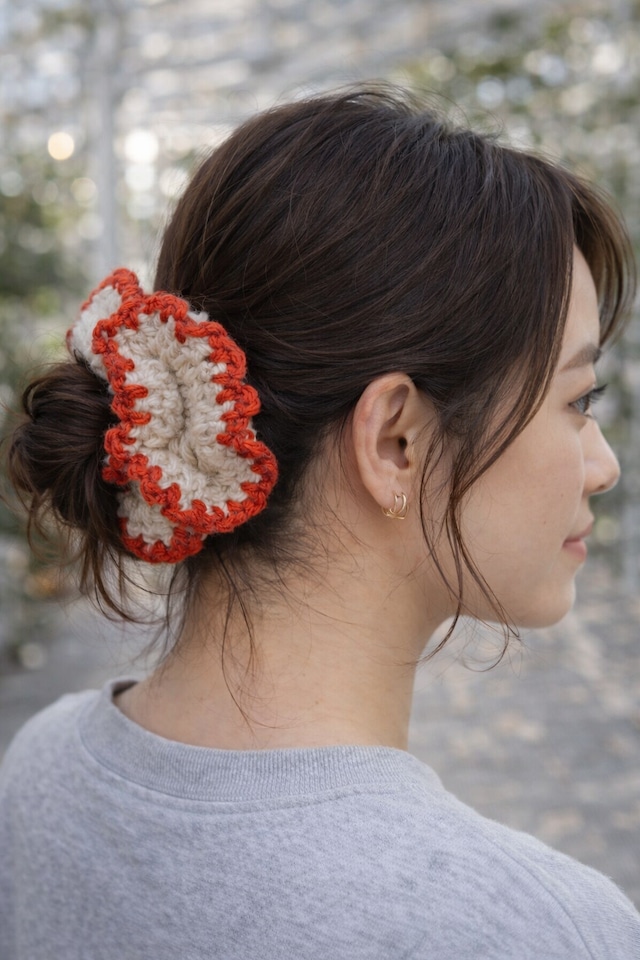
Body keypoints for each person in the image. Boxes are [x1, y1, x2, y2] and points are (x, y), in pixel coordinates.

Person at [0, 86, 638, 960]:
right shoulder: (527, 930)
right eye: (578, 401)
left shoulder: (41, 769)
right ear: (396, 441)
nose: (603, 464)